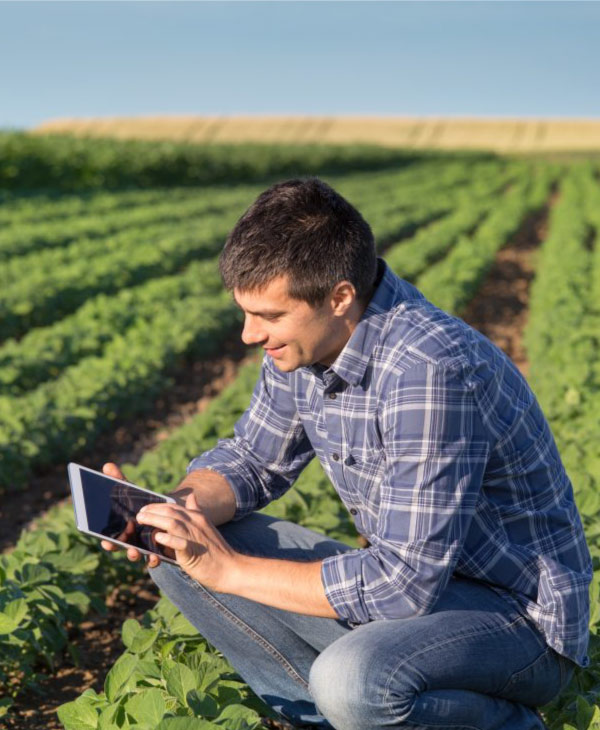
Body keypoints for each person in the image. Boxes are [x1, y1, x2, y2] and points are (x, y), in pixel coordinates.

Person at [102, 177, 592, 730]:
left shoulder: (428, 370)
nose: (248, 334)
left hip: (514, 621)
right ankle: (329, 722)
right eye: (245, 312)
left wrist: (230, 570)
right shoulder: (307, 340)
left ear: (338, 298)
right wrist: (172, 509)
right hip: (423, 591)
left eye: (268, 315)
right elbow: (254, 460)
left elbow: (403, 585)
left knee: (352, 679)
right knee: (175, 548)